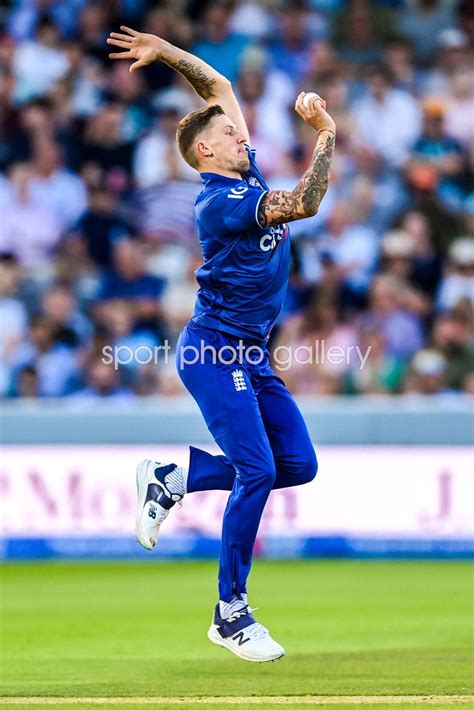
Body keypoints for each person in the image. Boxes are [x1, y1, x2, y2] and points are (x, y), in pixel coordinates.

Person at [108, 25, 336, 663]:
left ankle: (174, 474)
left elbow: (218, 85)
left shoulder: (245, 167)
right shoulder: (221, 201)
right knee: (260, 469)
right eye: (231, 134)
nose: (244, 133)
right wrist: (327, 135)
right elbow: (307, 202)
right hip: (214, 352)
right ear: (205, 151)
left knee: (297, 464)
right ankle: (230, 612)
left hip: (251, 354)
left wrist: (166, 52)